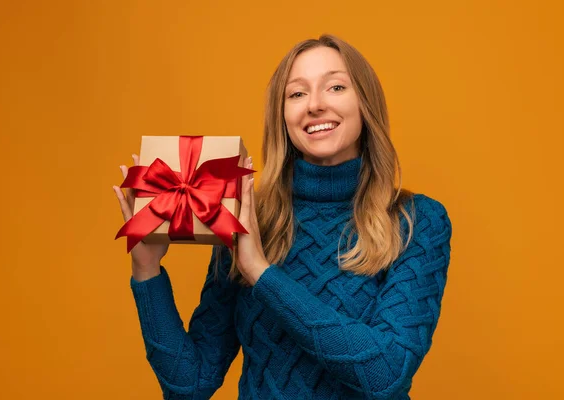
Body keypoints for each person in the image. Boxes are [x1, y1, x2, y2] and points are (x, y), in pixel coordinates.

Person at [113, 34, 453, 400]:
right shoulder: (246, 216)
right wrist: (146, 272)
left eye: (336, 86)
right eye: (297, 94)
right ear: (283, 116)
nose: (315, 105)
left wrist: (261, 272)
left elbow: (385, 374)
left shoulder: (417, 222)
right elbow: (190, 385)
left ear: (365, 103)